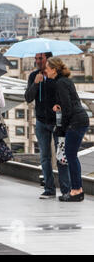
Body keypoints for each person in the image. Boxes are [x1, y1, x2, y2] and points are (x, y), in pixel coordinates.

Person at [25, 52, 71, 199]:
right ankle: (49, 189)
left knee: (61, 156)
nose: (38, 61)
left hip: (57, 122)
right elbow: (28, 97)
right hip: (41, 121)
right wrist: (36, 83)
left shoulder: (57, 78)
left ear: (48, 60)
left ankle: (66, 190)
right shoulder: (34, 76)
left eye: (41, 58)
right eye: (36, 59)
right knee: (44, 156)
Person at [45, 58, 89, 202]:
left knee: (71, 156)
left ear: (54, 69)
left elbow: (68, 108)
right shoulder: (66, 81)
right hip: (79, 119)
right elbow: (68, 103)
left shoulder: (60, 83)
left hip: (76, 122)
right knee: (71, 156)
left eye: (47, 68)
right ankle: (77, 189)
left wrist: (61, 129)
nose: (45, 70)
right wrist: (59, 106)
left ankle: (76, 190)